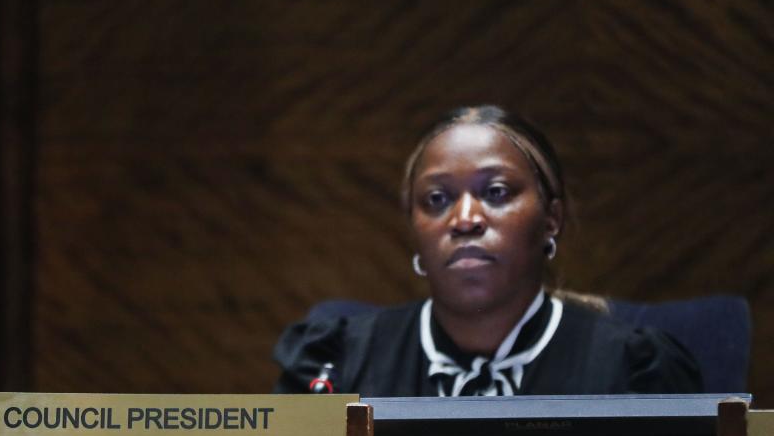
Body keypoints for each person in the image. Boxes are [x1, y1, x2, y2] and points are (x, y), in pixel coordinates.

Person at [273, 105, 702, 396]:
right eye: (437, 200)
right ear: (413, 226)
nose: (464, 219)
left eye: (496, 192)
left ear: (551, 218)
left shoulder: (633, 371)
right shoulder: (337, 365)